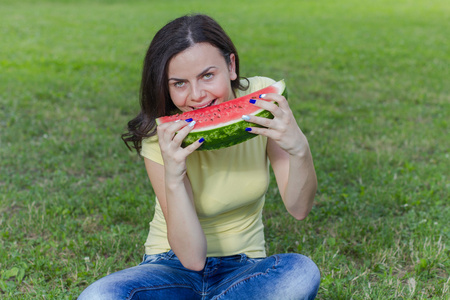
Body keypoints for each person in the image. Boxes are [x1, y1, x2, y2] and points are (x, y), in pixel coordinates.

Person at [78, 14, 320, 300]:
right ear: (165, 86)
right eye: (179, 83)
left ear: (230, 66)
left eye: (207, 75)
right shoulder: (162, 134)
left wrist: (299, 148)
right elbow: (192, 259)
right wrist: (174, 176)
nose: (197, 95)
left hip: (245, 268)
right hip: (171, 267)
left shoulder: (262, 101)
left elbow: (298, 208)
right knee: (98, 296)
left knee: (301, 272)